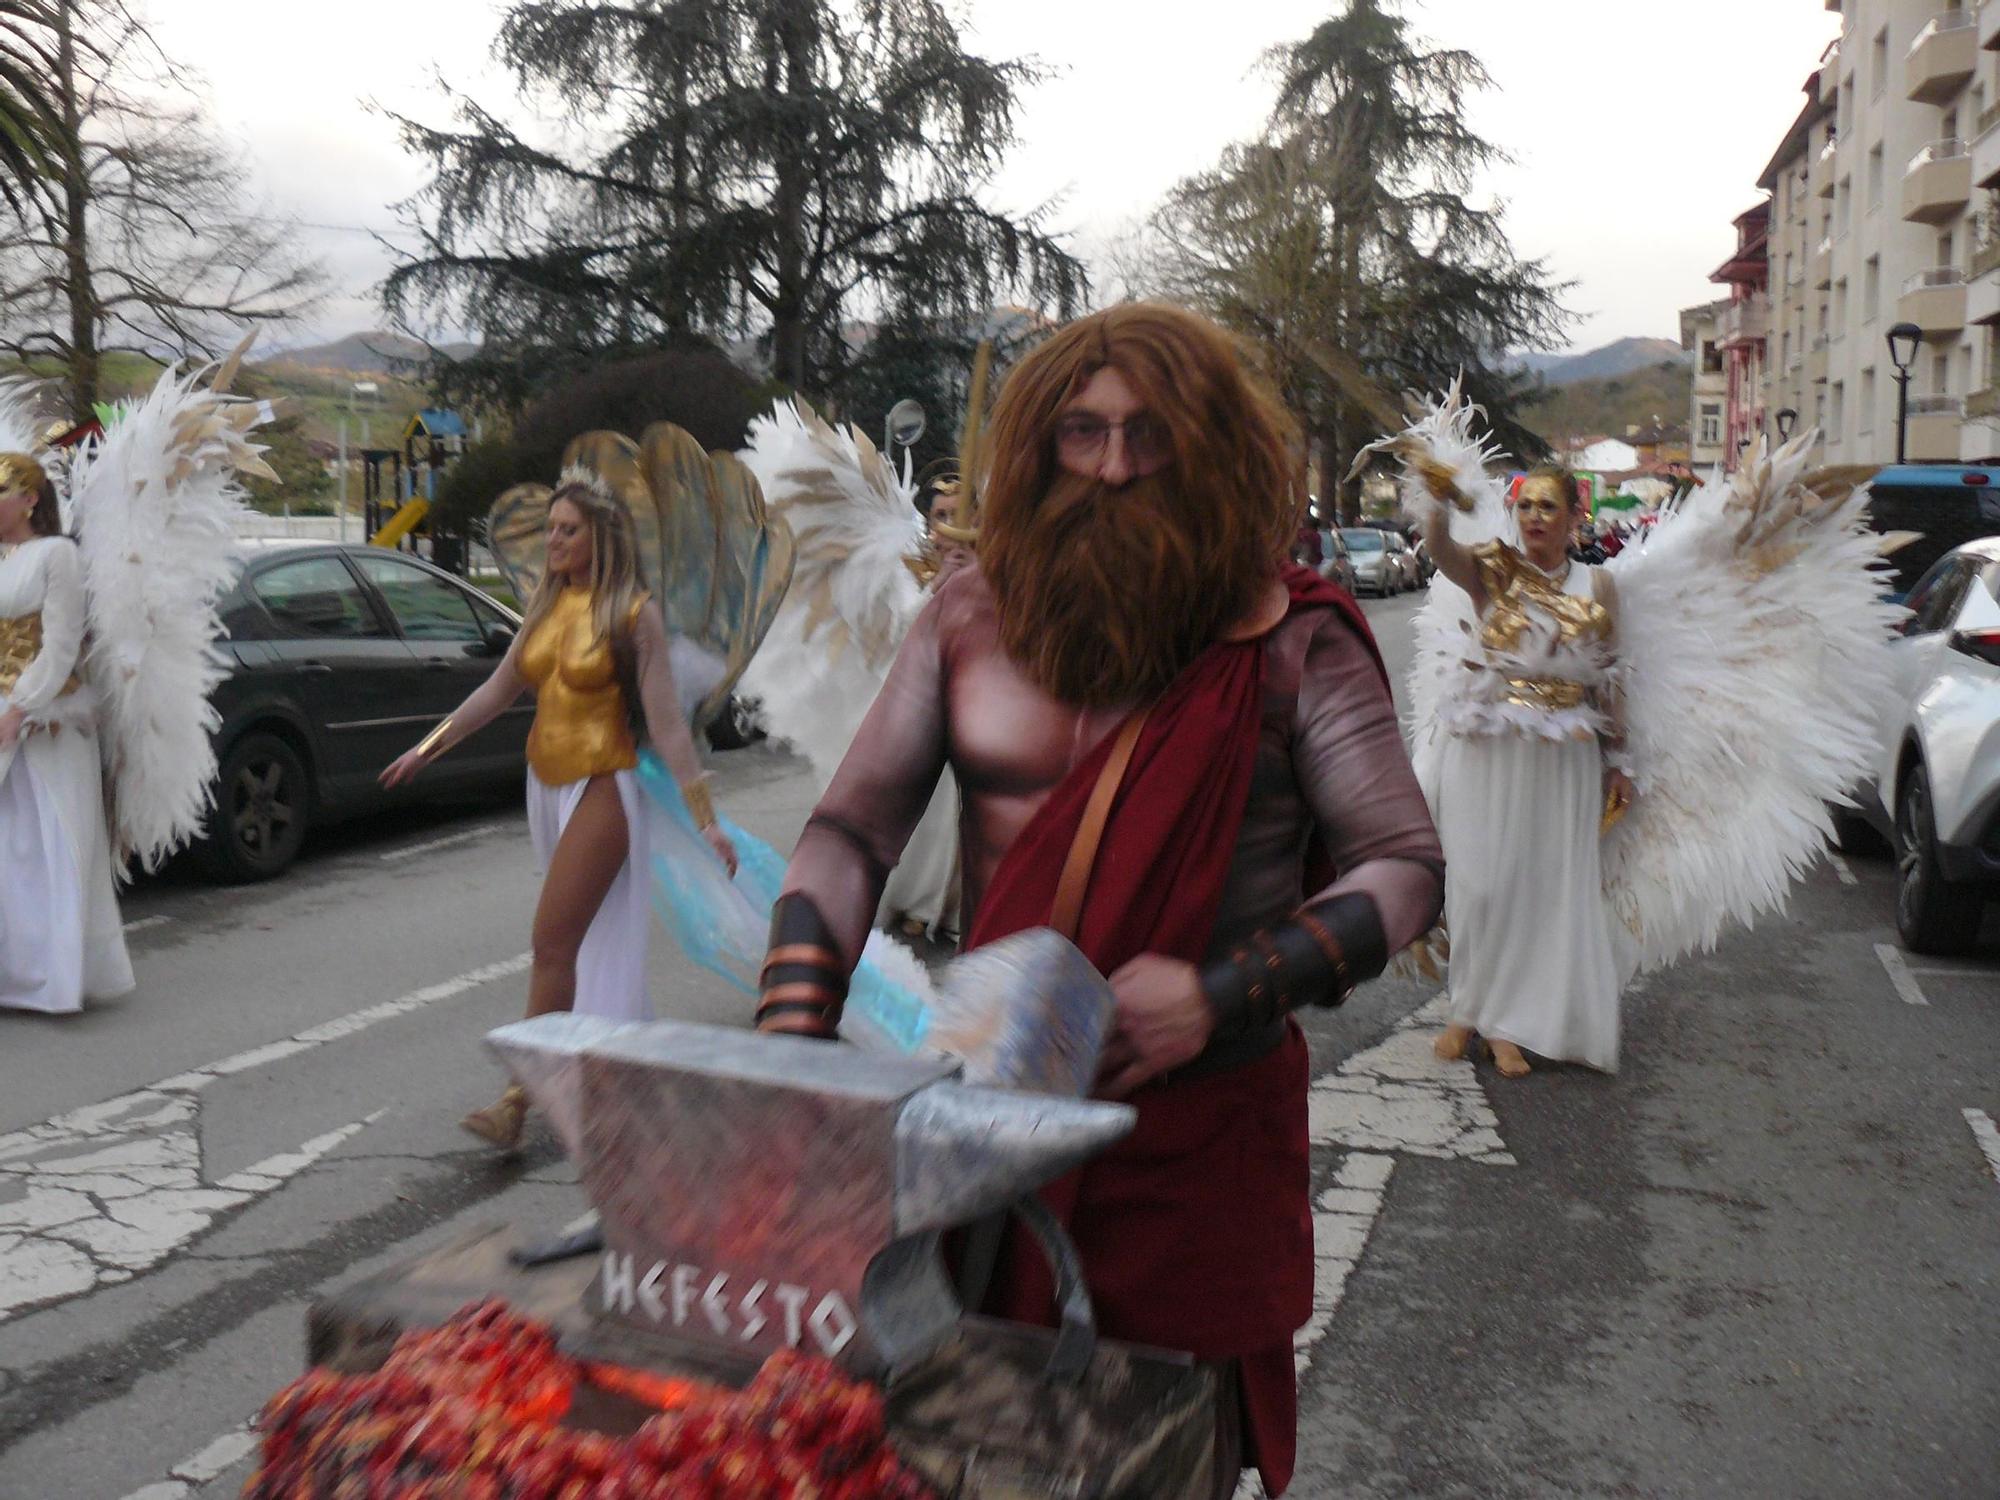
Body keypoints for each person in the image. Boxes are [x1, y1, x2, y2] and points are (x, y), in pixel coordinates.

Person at [754, 303, 1444, 1498]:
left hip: (1192, 1141)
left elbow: (1402, 868)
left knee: (1166, 1456)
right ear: (1038, 448)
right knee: (960, 1445)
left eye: (1147, 435)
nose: (1115, 467)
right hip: (983, 1132)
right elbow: (851, 830)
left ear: (1209, 447)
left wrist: (1221, 993)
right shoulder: (966, 615)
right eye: (1082, 433)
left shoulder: (1291, 643)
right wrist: (788, 1035)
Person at [381, 475, 736, 1147]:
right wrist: (426, 749)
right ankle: (607, 1071)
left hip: (604, 785)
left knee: (553, 942)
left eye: (567, 530)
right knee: (567, 943)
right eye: (550, 528)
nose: (553, 540)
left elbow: (667, 726)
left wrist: (706, 817)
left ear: (599, 537)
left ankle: (518, 1099)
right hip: (546, 786)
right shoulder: (546, 606)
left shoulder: (633, 614)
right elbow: (496, 690)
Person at [1423, 465, 1635, 1077]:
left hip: (1561, 752)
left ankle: (1504, 1024)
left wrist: (1619, 759)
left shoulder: (1600, 585)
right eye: (1525, 507)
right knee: (1480, 879)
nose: (1534, 518)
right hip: (1490, 746)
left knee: (1539, 883)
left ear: (1575, 518)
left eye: (1548, 507)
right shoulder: (1492, 567)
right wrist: (1439, 502)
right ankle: (1467, 1008)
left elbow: (1611, 675)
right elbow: (1440, 552)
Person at [0, 452, 135, 1015]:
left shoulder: (57, 554)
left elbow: (60, 646)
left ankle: (51, 979)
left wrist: (19, 709)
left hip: (48, 722)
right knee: (9, 851)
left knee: (46, 845)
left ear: (30, 499)